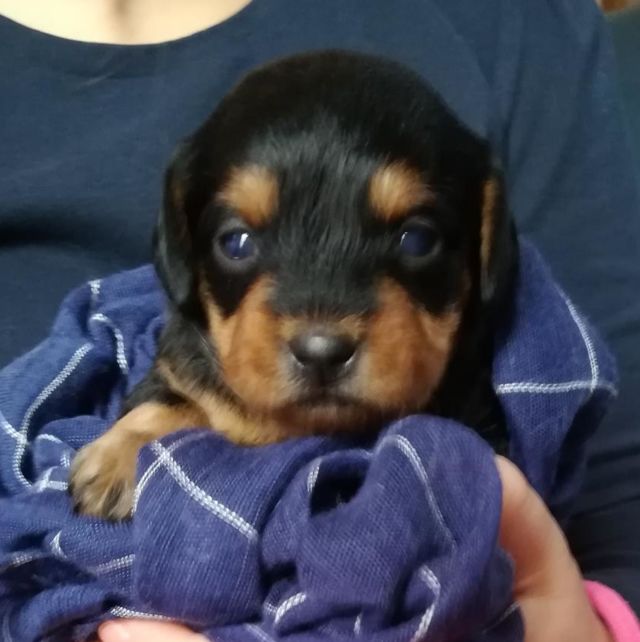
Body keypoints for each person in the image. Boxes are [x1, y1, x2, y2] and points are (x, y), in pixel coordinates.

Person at [0, 1, 639, 640]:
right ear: (182, 249)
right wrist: (157, 417)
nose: (320, 334)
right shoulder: (167, 348)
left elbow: (618, 503)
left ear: (485, 240)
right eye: (238, 243)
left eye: (415, 239)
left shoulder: (511, 22)